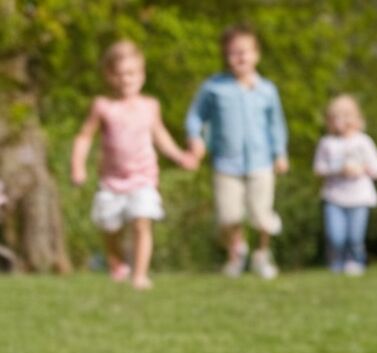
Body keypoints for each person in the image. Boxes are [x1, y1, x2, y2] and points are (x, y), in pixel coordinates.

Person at [70, 40, 196, 290]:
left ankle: (139, 275)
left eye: (132, 73)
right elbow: (84, 137)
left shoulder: (150, 106)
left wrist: (179, 156)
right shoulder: (103, 106)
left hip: (144, 177)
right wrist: (78, 166)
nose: (126, 79)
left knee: (142, 221)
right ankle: (116, 262)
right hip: (112, 180)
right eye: (119, 74)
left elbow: (160, 136)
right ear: (108, 75)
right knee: (109, 226)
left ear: (142, 75)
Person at [185, 25, 289, 279]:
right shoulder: (214, 88)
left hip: (261, 161)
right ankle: (237, 252)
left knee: (261, 214)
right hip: (226, 162)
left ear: (256, 54)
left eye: (244, 52)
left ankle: (262, 255)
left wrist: (280, 153)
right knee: (229, 216)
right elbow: (195, 116)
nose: (239, 58)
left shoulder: (267, 90)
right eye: (232, 53)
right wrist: (194, 139)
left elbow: (276, 124)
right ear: (225, 56)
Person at [312, 94, 377, 276]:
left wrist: (362, 169)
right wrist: (338, 170)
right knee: (335, 236)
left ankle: (355, 262)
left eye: (346, 116)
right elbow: (318, 169)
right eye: (336, 117)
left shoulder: (364, 141)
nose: (342, 121)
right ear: (329, 120)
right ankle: (336, 264)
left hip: (360, 197)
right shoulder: (327, 143)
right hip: (334, 197)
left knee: (355, 237)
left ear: (356, 118)